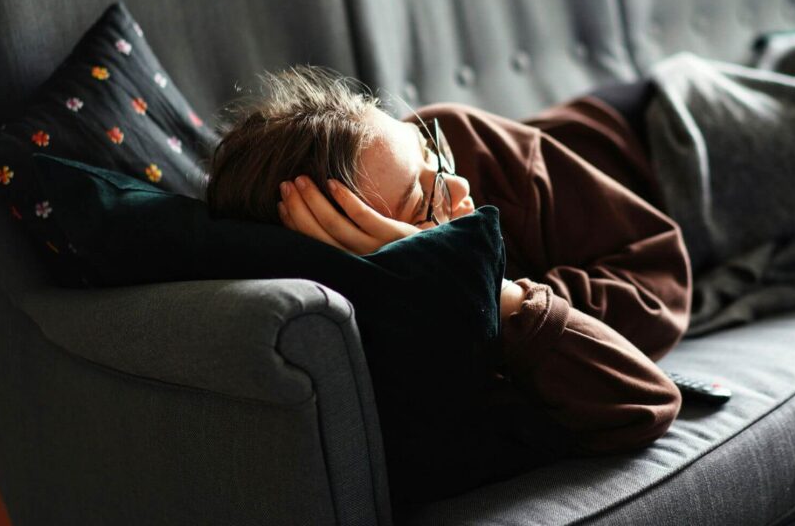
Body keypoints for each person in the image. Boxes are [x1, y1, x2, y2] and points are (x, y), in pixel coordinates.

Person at [205, 65, 691, 461]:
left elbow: (661, 280)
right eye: (422, 203)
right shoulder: (402, 328)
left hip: (667, 127)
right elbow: (642, 400)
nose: (458, 188)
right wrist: (481, 286)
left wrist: (516, 302)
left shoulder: (461, 139)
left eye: (428, 151)